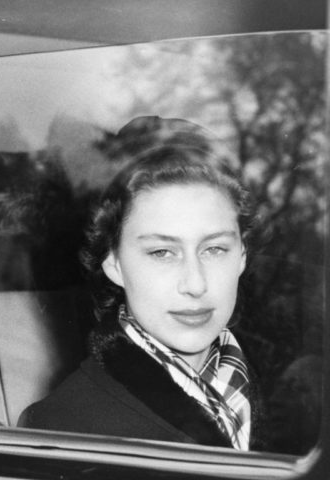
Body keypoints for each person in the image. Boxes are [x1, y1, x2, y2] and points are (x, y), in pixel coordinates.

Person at [19, 115, 264, 450]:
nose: (195, 283)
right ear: (113, 262)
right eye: (162, 252)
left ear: (243, 255)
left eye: (215, 249)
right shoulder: (62, 426)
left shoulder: (298, 402)